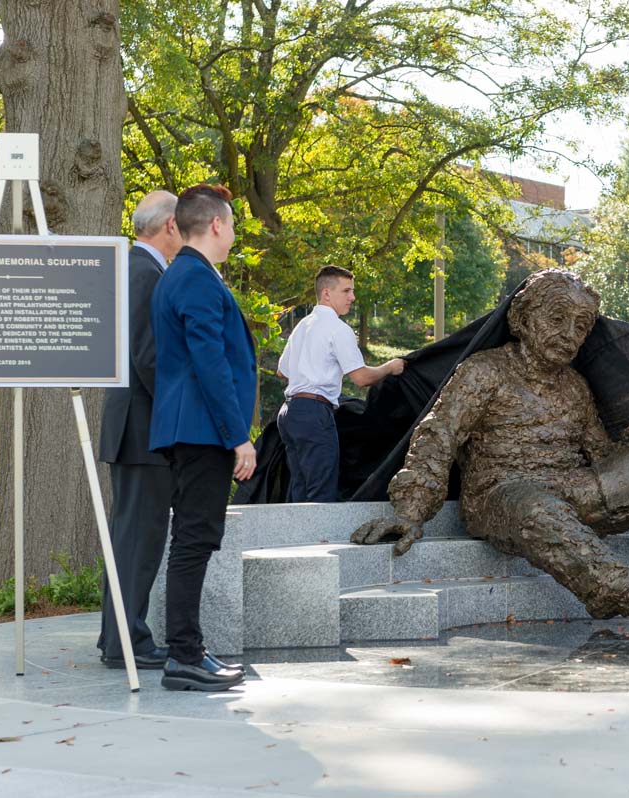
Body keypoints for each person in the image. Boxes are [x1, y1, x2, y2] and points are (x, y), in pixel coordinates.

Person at [353, 270, 629, 630]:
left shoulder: (575, 386)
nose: (570, 335)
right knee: (539, 509)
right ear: (522, 319)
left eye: (581, 326)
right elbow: (436, 437)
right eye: (557, 319)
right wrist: (409, 512)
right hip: (504, 495)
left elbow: (601, 457)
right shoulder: (484, 371)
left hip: (574, 489)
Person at [149, 184, 256, 691]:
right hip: (200, 431)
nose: (233, 232)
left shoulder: (188, 274)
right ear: (216, 224)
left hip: (192, 427)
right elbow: (209, 362)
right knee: (193, 541)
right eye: (232, 223)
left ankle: (188, 652)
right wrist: (238, 436)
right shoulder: (194, 277)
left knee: (194, 539)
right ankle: (185, 656)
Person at [96, 190, 181, 670]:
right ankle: (128, 641)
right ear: (168, 224)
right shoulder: (146, 273)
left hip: (133, 426)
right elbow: (149, 357)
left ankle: (118, 637)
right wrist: (179, 416)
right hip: (144, 427)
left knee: (130, 537)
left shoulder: (136, 267)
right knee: (139, 540)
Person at [276, 266, 405, 502]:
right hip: (315, 412)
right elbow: (361, 378)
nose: (352, 298)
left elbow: (282, 371)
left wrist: (310, 370)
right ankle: (321, 540)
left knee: (300, 489)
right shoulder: (338, 329)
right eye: (346, 291)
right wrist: (390, 367)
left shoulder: (302, 326)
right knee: (321, 492)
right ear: (326, 293)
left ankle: (302, 538)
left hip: (288, 413)